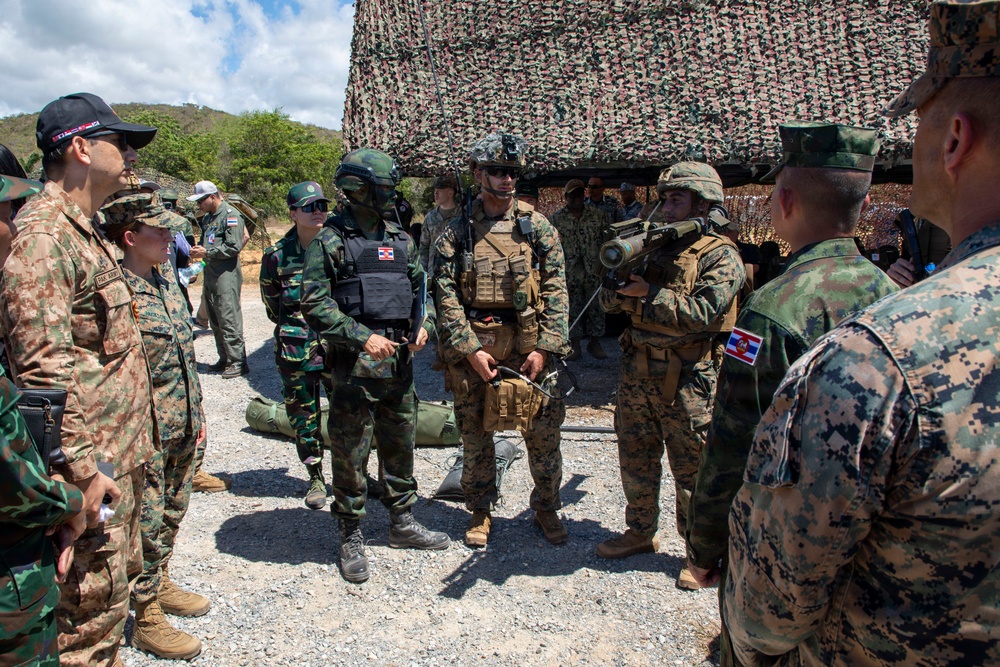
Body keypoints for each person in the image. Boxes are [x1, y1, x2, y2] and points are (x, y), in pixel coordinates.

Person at [724, 3, 1000, 665]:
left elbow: (767, 608)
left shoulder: (871, 355)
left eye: (920, 119)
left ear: (953, 140)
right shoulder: (886, 299)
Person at [684, 122, 897, 666]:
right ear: (863, 204)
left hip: (783, 538)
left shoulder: (772, 311)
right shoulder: (894, 296)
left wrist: (704, 543)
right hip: (870, 535)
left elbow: (732, 439)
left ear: (784, 200)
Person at [0, 92, 157, 667]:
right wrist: (81, 472)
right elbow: (41, 372)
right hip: (91, 471)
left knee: (110, 604)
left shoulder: (81, 229)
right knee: (83, 619)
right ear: (81, 149)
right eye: (121, 143)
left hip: (116, 461)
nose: (131, 155)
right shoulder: (46, 236)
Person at [301, 149, 448, 584]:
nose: (391, 196)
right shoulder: (330, 241)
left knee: (401, 445)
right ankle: (350, 533)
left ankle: (402, 522)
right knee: (350, 452)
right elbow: (314, 303)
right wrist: (362, 336)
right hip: (353, 372)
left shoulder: (401, 239)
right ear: (360, 190)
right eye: (384, 188)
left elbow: (423, 292)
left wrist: (425, 327)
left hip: (399, 367)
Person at [596, 162, 743, 591]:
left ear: (703, 204)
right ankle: (640, 531)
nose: (667, 206)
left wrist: (647, 295)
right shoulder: (650, 246)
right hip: (637, 372)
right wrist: (617, 283)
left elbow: (703, 313)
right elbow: (607, 305)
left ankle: (698, 554)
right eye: (664, 198)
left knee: (692, 469)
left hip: (689, 379)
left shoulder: (720, 254)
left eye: (677, 198)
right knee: (635, 458)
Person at [433, 131, 571, 548]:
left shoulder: (537, 227)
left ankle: (546, 506)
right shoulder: (456, 231)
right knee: (476, 437)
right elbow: (444, 295)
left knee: (543, 436)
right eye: (497, 170)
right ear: (478, 173)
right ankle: (480, 508)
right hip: (477, 351)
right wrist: (470, 350)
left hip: (529, 349)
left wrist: (544, 348)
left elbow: (557, 290)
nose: (507, 179)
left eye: (513, 171)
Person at [101, 194, 208, 661]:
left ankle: (159, 579)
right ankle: (144, 614)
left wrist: (198, 417)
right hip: (144, 434)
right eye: (160, 230)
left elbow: (183, 356)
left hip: (182, 422)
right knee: (143, 522)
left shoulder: (165, 281)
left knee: (172, 511)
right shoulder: (115, 291)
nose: (170, 237)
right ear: (129, 237)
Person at [0, 171, 87, 667]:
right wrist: (70, 499)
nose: (14, 226)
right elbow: (11, 478)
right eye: (5, 214)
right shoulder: (46, 238)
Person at [261, 182, 335, 510]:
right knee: (304, 418)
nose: (318, 211)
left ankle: (353, 474)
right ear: (292, 213)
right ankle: (315, 477)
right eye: (309, 206)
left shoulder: (338, 248)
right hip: (296, 351)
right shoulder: (276, 256)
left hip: (336, 348)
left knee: (348, 415)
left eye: (322, 204)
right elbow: (272, 307)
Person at [187, 180, 247, 379]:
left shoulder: (231, 215)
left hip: (226, 275)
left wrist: (207, 252)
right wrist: (199, 252)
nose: (198, 205)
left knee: (228, 317)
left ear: (212, 197)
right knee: (215, 318)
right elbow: (207, 243)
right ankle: (225, 357)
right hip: (211, 273)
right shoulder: (207, 218)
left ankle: (238, 361)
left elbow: (234, 246)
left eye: (200, 201)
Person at [548, 179, 609, 360]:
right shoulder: (556, 219)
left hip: (594, 268)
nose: (577, 198)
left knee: (596, 306)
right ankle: (574, 344)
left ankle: (594, 342)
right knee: (572, 306)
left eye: (580, 193)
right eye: (572, 194)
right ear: (565, 197)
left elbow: (607, 241)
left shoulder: (598, 215)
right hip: (570, 270)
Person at [886, 211, 952, 286]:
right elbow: (908, 259)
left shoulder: (957, 216)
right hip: (920, 287)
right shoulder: (914, 217)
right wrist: (898, 274)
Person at [418, 174, 460, 278]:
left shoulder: (462, 216)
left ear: (450, 192)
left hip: (456, 274)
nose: (435, 194)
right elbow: (424, 247)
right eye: (435, 191)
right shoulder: (430, 217)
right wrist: (423, 272)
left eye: (439, 190)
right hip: (433, 273)